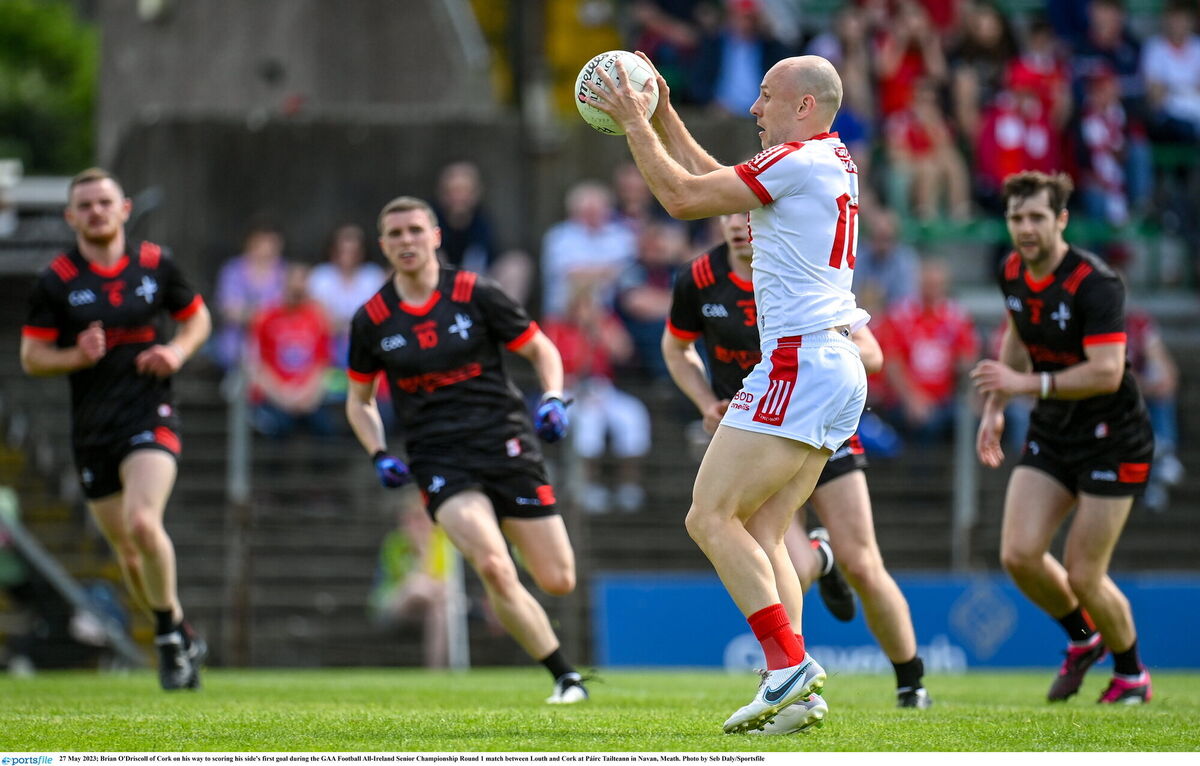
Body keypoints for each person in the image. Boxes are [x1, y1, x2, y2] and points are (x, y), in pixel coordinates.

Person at [585, 53, 869, 733]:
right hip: (835, 363)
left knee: (709, 517)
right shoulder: (824, 160)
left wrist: (633, 125)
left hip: (800, 360)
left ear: (804, 106)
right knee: (764, 529)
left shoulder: (798, 162)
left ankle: (785, 667)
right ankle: (797, 690)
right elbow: (711, 176)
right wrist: (662, 111)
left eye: (767, 96)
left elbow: (683, 197)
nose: (754, 107)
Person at [662, 212, 932, 715]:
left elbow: (871, 353)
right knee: (780, 551)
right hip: (757, 431)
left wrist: (823, 345)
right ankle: (790, 673)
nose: (738, 222)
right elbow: (675, 350)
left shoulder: (799, 267)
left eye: (748, 210)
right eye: (728, 211)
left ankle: (910, 681)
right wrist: (705, 402)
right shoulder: (699, 279)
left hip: (817, 416)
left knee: (862, 561)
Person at [344, 195, 588, 704]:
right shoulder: (372, 319)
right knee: (494, 566)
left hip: (504, 443)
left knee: (558, 578)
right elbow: (359, 401)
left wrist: (553, 397)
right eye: (395, 234)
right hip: (439, 460)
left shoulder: (475, 292)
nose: (406, 241)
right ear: (383, 246)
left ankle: (552, 650)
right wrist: (377, 451)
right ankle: (566, 677)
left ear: (435, 237)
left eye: (415, 230)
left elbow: (540, 347)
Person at [20, 167, 212, 690]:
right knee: (128, 550)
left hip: (149, 415)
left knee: (144, 523)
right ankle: (174, 627)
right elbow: (32, 358)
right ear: (70, 217)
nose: (96, 212)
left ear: (124, 208)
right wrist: (74, 355)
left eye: (104, 202)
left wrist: (176, 350)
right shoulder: (56, 281)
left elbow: (198, 319)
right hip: (92, 430)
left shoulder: (155, 264)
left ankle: (169, 640)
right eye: (85, 205)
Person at [971, 171, 1155, 705]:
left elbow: (1107, 371)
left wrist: (1024, 385)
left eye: (1036, 218)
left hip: (1112, 439)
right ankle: (1083, 638)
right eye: (1015, 218)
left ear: (1062, 220)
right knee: (1020, 555)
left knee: (1083, 573)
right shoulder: (1011, 270)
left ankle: (1130, 676)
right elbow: (1017, 333)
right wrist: (997, 408)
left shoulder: (1096, 284)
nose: (1025, 228)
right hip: (1055, 432)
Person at [246, 263, 335, 439]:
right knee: (276, 430)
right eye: (294, 289)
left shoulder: (318, 317)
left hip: (309, 398)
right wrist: (282, 396)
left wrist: (307, 396)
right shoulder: (266, 317)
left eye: (301, 291)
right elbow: (257, 364)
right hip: (274, 396)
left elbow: (323, 364)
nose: (297, 295)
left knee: (327, 430)